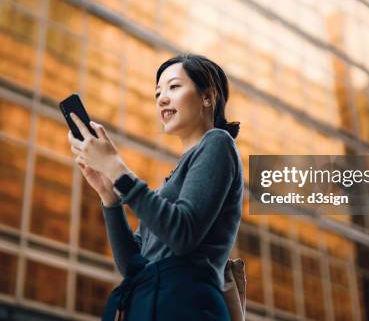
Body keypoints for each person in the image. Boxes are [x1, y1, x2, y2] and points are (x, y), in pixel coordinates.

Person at [67, 53, 243, 320]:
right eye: (158, 92)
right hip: (149, 306)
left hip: (187, 307)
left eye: (174, 87)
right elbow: (133, 266)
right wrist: (110, 197)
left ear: (208, 97)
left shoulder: (218, 143)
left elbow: (182, 234)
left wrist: (116, 167)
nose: (161, 98)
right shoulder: (168, 184)